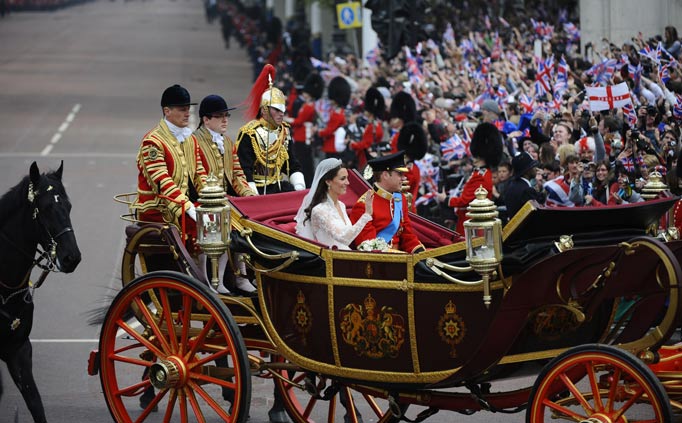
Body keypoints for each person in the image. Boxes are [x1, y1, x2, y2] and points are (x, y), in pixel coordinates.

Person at [194, 94, 257, 296]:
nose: (225, 120)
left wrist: (249, 197)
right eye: (220, 116)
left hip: (224, 200)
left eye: (226, 116)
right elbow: (197, 176)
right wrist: (218, 199)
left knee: (245, 222)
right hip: (202, 201)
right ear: (206, 119)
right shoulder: (194, 142)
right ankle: (214, 280)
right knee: (221, 222)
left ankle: (242, 276)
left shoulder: (228, 143)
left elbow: (238, 175)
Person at [132, 84, 207, 252]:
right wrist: (188, 207)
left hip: (182, 205)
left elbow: (199, 174)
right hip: (158, 210)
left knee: (226, 224)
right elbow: (162, 182)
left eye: (188, 109)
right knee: (203, 228)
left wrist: (212, 197)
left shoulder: (190, 139)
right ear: (167, 111)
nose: (187, 113)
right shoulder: (153, 142)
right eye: (182, 109)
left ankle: (222, 275)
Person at [236, 64, 306, 195]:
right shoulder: (250, 134)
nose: (281, 114)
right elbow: (244, 169)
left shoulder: (284, 132)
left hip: (279, 187)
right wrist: (252, 194)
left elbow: (291, 163)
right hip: (257, 189)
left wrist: (299, 186)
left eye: (282, 110)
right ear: (264, 110)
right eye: (277, 110)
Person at [349, 151, 425, 253]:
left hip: (401, 259)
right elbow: (368, 247)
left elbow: (407, 235)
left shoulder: (400, 198)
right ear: (385, 175)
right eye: (400, 174)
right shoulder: (363, 205)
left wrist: (419, 253)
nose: (404, 178)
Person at [436, 122, 504, 235]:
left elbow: (466, 201)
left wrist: (446, 199)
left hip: (471, 225)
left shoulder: (480, 176)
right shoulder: (481, 173)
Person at [294, 158, 374, 249]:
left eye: (347, 178)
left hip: (346, 255)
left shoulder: (341, 205)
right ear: (328, 181)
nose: (347, 183)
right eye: (342, 179)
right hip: (330, 260)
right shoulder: (319, 210)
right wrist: (366, 215)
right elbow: (344, 238)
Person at [288, 72, 325, 185]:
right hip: (301, 135)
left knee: (304, 162)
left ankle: (307, 183)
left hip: (303, 137)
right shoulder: (307, 105)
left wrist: (287, 120)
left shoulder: (309, 106)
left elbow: (299, 121)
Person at [349, 87, 385, 171]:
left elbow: (366, 144)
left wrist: (353, 144)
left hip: (366, 157)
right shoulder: (377, 124)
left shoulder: (371, 126)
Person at [317, 76, 351, 159]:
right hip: (334, 146)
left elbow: (329, 131)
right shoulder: (340, 112)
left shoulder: (337, 114)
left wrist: (318, 132)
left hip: (332, 146)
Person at [504, 152, 546, 218]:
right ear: (527, 171)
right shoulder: (526, 190)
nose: (536, 169)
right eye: (533, 166)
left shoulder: (511, 184)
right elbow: (536, 214)